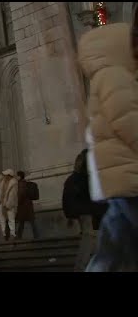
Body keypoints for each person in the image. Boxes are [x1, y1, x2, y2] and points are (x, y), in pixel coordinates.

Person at [77, 22, 138, 271]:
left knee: (113, 249)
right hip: (128, 174)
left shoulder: (105, 76)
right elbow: (127, 119)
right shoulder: (116, 75)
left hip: (119, 178)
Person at [0, 169, 18, 241]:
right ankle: (4, 234)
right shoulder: (3, 181)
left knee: (11, 219)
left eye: (5, 175)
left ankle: (12, 234)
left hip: (9, 204)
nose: (4, 176)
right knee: (2, 219)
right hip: (2, 203)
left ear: (9, 175)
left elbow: (13, 195)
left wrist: (7, 204)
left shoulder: (14, 183)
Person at [16, 171, 39, 240]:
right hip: (28, 205)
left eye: (17, 176)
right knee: (30, 221)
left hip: (23, 206)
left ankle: (19, 236)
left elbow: (21, 193)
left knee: (22, 221)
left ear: (19, 176)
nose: (15, 177)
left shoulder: (21, 184)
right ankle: (36, 235)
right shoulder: (25, 183)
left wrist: (17, 202)